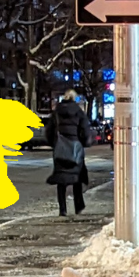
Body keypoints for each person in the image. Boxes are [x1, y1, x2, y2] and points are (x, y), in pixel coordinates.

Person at [46, 88, 90, 216]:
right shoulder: (78, 112)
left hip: (60, 148)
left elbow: (49, 131)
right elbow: (85, 131)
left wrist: (54, 144)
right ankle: (78, 207)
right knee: (77, 178)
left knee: (61, 180)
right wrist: (83, 143)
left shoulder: (57, 112)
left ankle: (63, 209)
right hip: (76, 149)